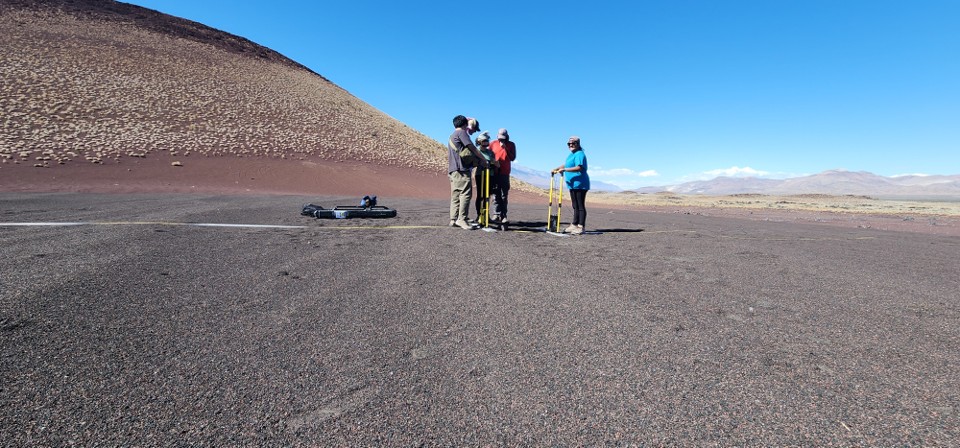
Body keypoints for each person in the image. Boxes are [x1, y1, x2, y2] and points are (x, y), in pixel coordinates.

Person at [448, 115, 488, 229]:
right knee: (465, 194)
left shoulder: (452, 135)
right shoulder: (462, 133)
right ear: (465, 124)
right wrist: (483, 159)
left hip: (453, 170)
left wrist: (467, 119)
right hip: (461, 169)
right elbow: (473, 148)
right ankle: (462, 219)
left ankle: (453, 219)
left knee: (455, 195)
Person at [551, 136, 590, 235]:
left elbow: (579, 167)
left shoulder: (580, 154)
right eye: (569, 144)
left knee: (580, 205)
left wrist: (565, 170)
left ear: (578, 144)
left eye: (573, 143)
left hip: (580, 183)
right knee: (574, 205)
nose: (571, 145)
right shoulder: (571, 155)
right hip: (572, 184)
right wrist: (556, 168)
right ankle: (574, 224)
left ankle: (581, 227)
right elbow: (566, 165)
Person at [488, 128, 516, 223]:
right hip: (494, 172)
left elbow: (512, 158)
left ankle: (503, 215)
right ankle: (496, 214)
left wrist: (506, 148)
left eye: (503, 138)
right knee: (495, 194)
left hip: (505, 173)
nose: (501, 140)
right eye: (500, 138)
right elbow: (489, 156)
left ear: (507, 136)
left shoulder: (511, 145)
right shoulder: (492, 144)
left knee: (504, 195)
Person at [472, 131, 499, 224]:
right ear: (479, 141)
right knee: (480, 195)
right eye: (483, 141)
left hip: (490, 175)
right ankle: (479, 215)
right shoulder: (476, 151)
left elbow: (496, 164)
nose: (485, 143)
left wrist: (493, 163)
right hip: (480, 175)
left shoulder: (491, 153)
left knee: (488, 196)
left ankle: (486, 216)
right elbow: (474, 163)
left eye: (487, 141)